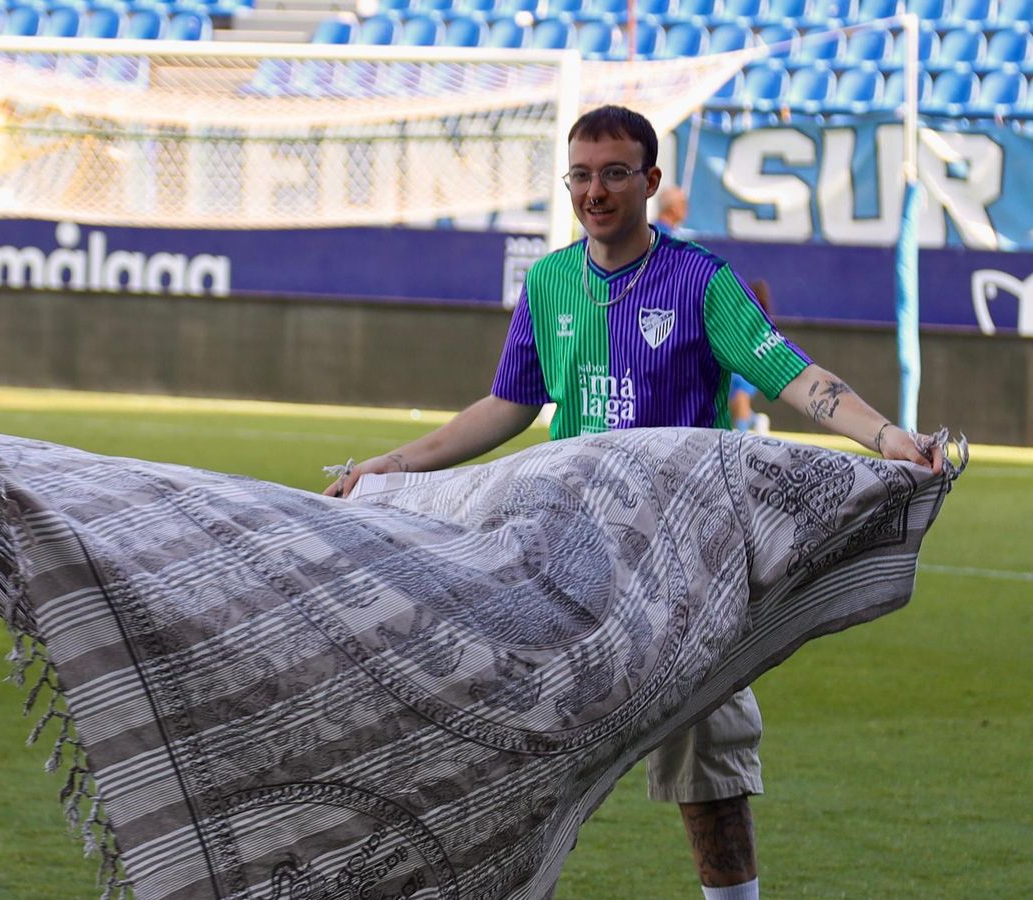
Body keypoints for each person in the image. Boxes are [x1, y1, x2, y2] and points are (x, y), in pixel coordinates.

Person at [326, 105, 942, 900]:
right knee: (506, 743)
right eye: (581, 175)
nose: (596, 191)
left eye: (615, 172)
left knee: (709, 762)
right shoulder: (549, 282)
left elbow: (794, 375)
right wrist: (392, 466)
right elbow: (508, 405)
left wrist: (886, 435)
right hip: (564, 556)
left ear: (649, 181)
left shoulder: (700, 282)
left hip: (680, 566)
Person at [730, 279, 773, 433]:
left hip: (747, 365)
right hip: (735, 365)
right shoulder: (737, 316)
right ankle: (756, 421)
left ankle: (741, 438)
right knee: (736, 404)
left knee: (741, 399)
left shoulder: (757, 321)